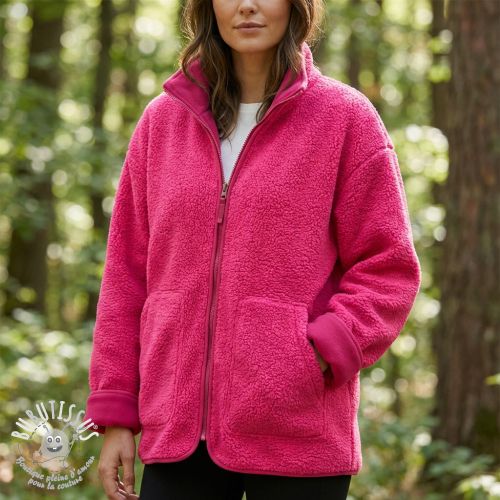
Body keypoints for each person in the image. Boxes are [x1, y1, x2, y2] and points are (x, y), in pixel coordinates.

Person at [83, 0, 422, 498]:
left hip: (298, 429)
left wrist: (318, 352)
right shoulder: (162, 123)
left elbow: (388, 267)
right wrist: (117, 411)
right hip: (175, 431)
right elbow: (125, 277)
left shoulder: (345, 118)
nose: (247, 5)